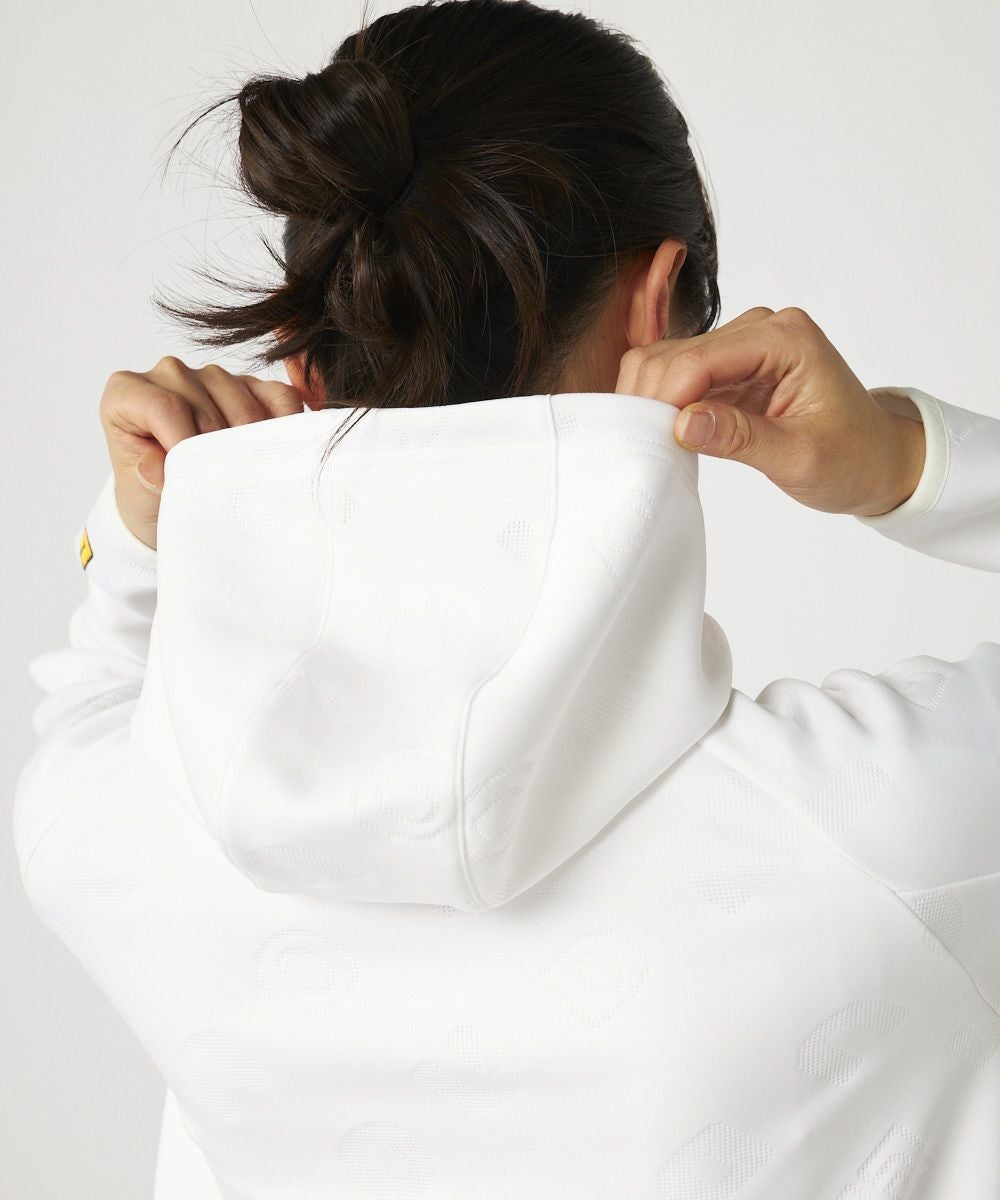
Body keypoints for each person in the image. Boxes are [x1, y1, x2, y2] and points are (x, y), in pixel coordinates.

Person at [13, 1, 998, 1196]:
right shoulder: (894, 826)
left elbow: (89, 692)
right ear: (656, 306)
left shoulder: (112, 828)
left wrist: (138, 536)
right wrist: (905, 463)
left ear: (304, 360)